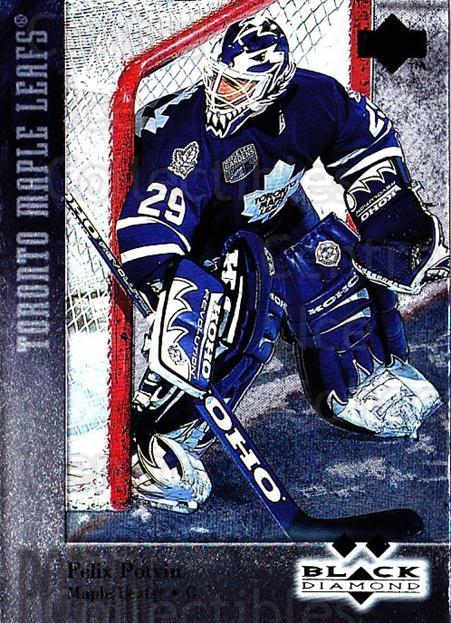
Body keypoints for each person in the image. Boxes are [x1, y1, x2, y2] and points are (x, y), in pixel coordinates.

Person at [117, 16, 448, 513]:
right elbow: (150, 228)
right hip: (204, 241)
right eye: (221, 78)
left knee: (326, 261)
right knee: (234, 314)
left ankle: (358, 380)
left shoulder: (315, 98)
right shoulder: (187, 135)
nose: (222, 93)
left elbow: (364, 138)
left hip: (274, 212)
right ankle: (160, 437)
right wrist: (171, 286)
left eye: (239, 85)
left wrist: (388, 208)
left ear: (274, 84)